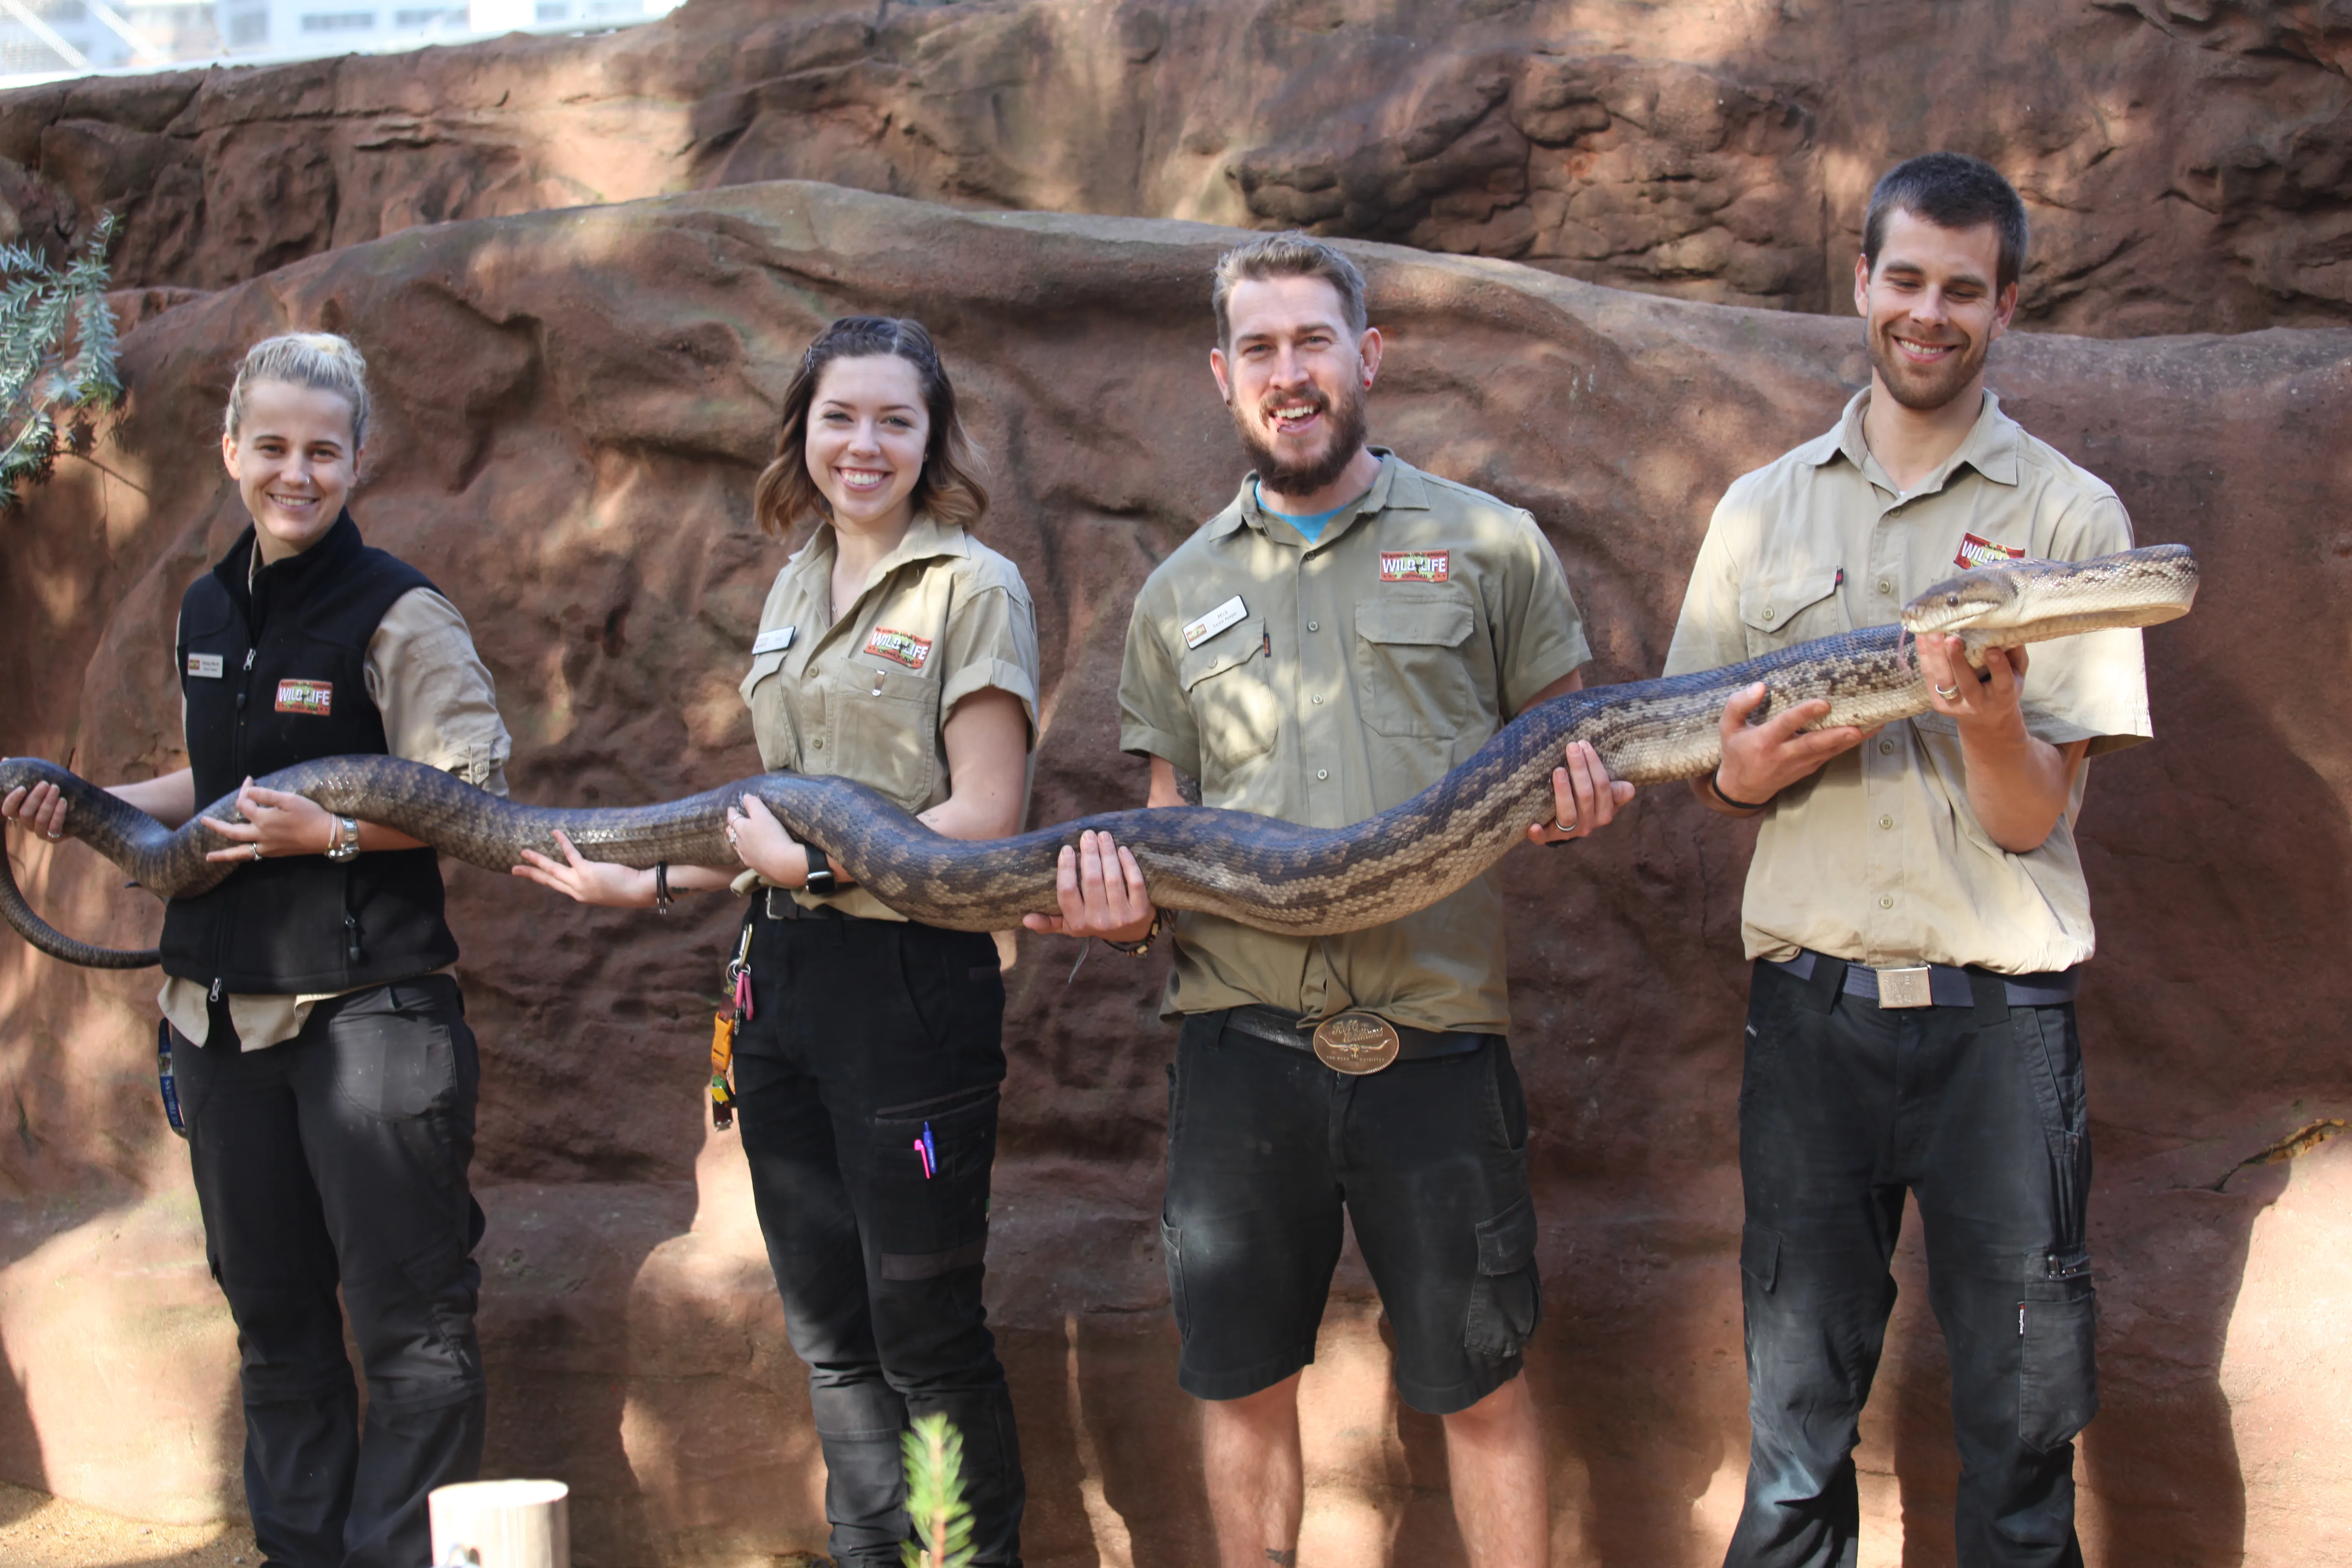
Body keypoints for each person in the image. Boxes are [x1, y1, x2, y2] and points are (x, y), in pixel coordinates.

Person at [1028, 232, 1631, 1568]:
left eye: (1313, 341)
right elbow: (1168, 818)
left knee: (1477, 1383)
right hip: (1241, 1046)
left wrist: (1585, 801)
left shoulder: (1490, 544)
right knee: (1242, 1383)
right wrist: (1121, 904)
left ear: (1369, 356)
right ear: (1221, 374)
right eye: (1259, 348)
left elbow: (1573, 750)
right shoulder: (1179, 593)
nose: (1287, 373)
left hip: (1436, 1038)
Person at [1666, 153, 2149, 1568]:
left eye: (1962, 289)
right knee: (1797, 1430)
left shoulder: (2074, 525)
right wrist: (1738, 776)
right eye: (1905, 280)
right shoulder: (1759, 511)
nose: (1927, 313)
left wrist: (1990, 718)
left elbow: (2028, 820)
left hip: (2003, 1028)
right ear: (1861, 284)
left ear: (2005, 306)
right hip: (1811, 1018)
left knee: (2022, 1431)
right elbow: (1710, 760)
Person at [512, 316, 1037, 1567]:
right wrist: (660, 886)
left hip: (911, 985)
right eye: (841, 417)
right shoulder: (797, 579)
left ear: (932, 437)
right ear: (803, 430)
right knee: (833, 1336)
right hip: (784, 985)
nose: (865, 444)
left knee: (926, 1338)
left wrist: (817, 866)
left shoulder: (974, 585)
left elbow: (985, 815)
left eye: (895, 420)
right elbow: (771, 812)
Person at [2, 332, 513, 1568]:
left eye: (322, 450)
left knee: (414, 1335)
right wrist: (83, 798)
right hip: (220, 1023)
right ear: (233, 451)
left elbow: (478, 793)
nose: (297, 471)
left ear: (356, 461)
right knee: (276, 1327)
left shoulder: (401, 610)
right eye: (272, 446)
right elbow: (222, 783)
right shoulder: (207, 603)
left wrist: (333, 831)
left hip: (369, 1023)